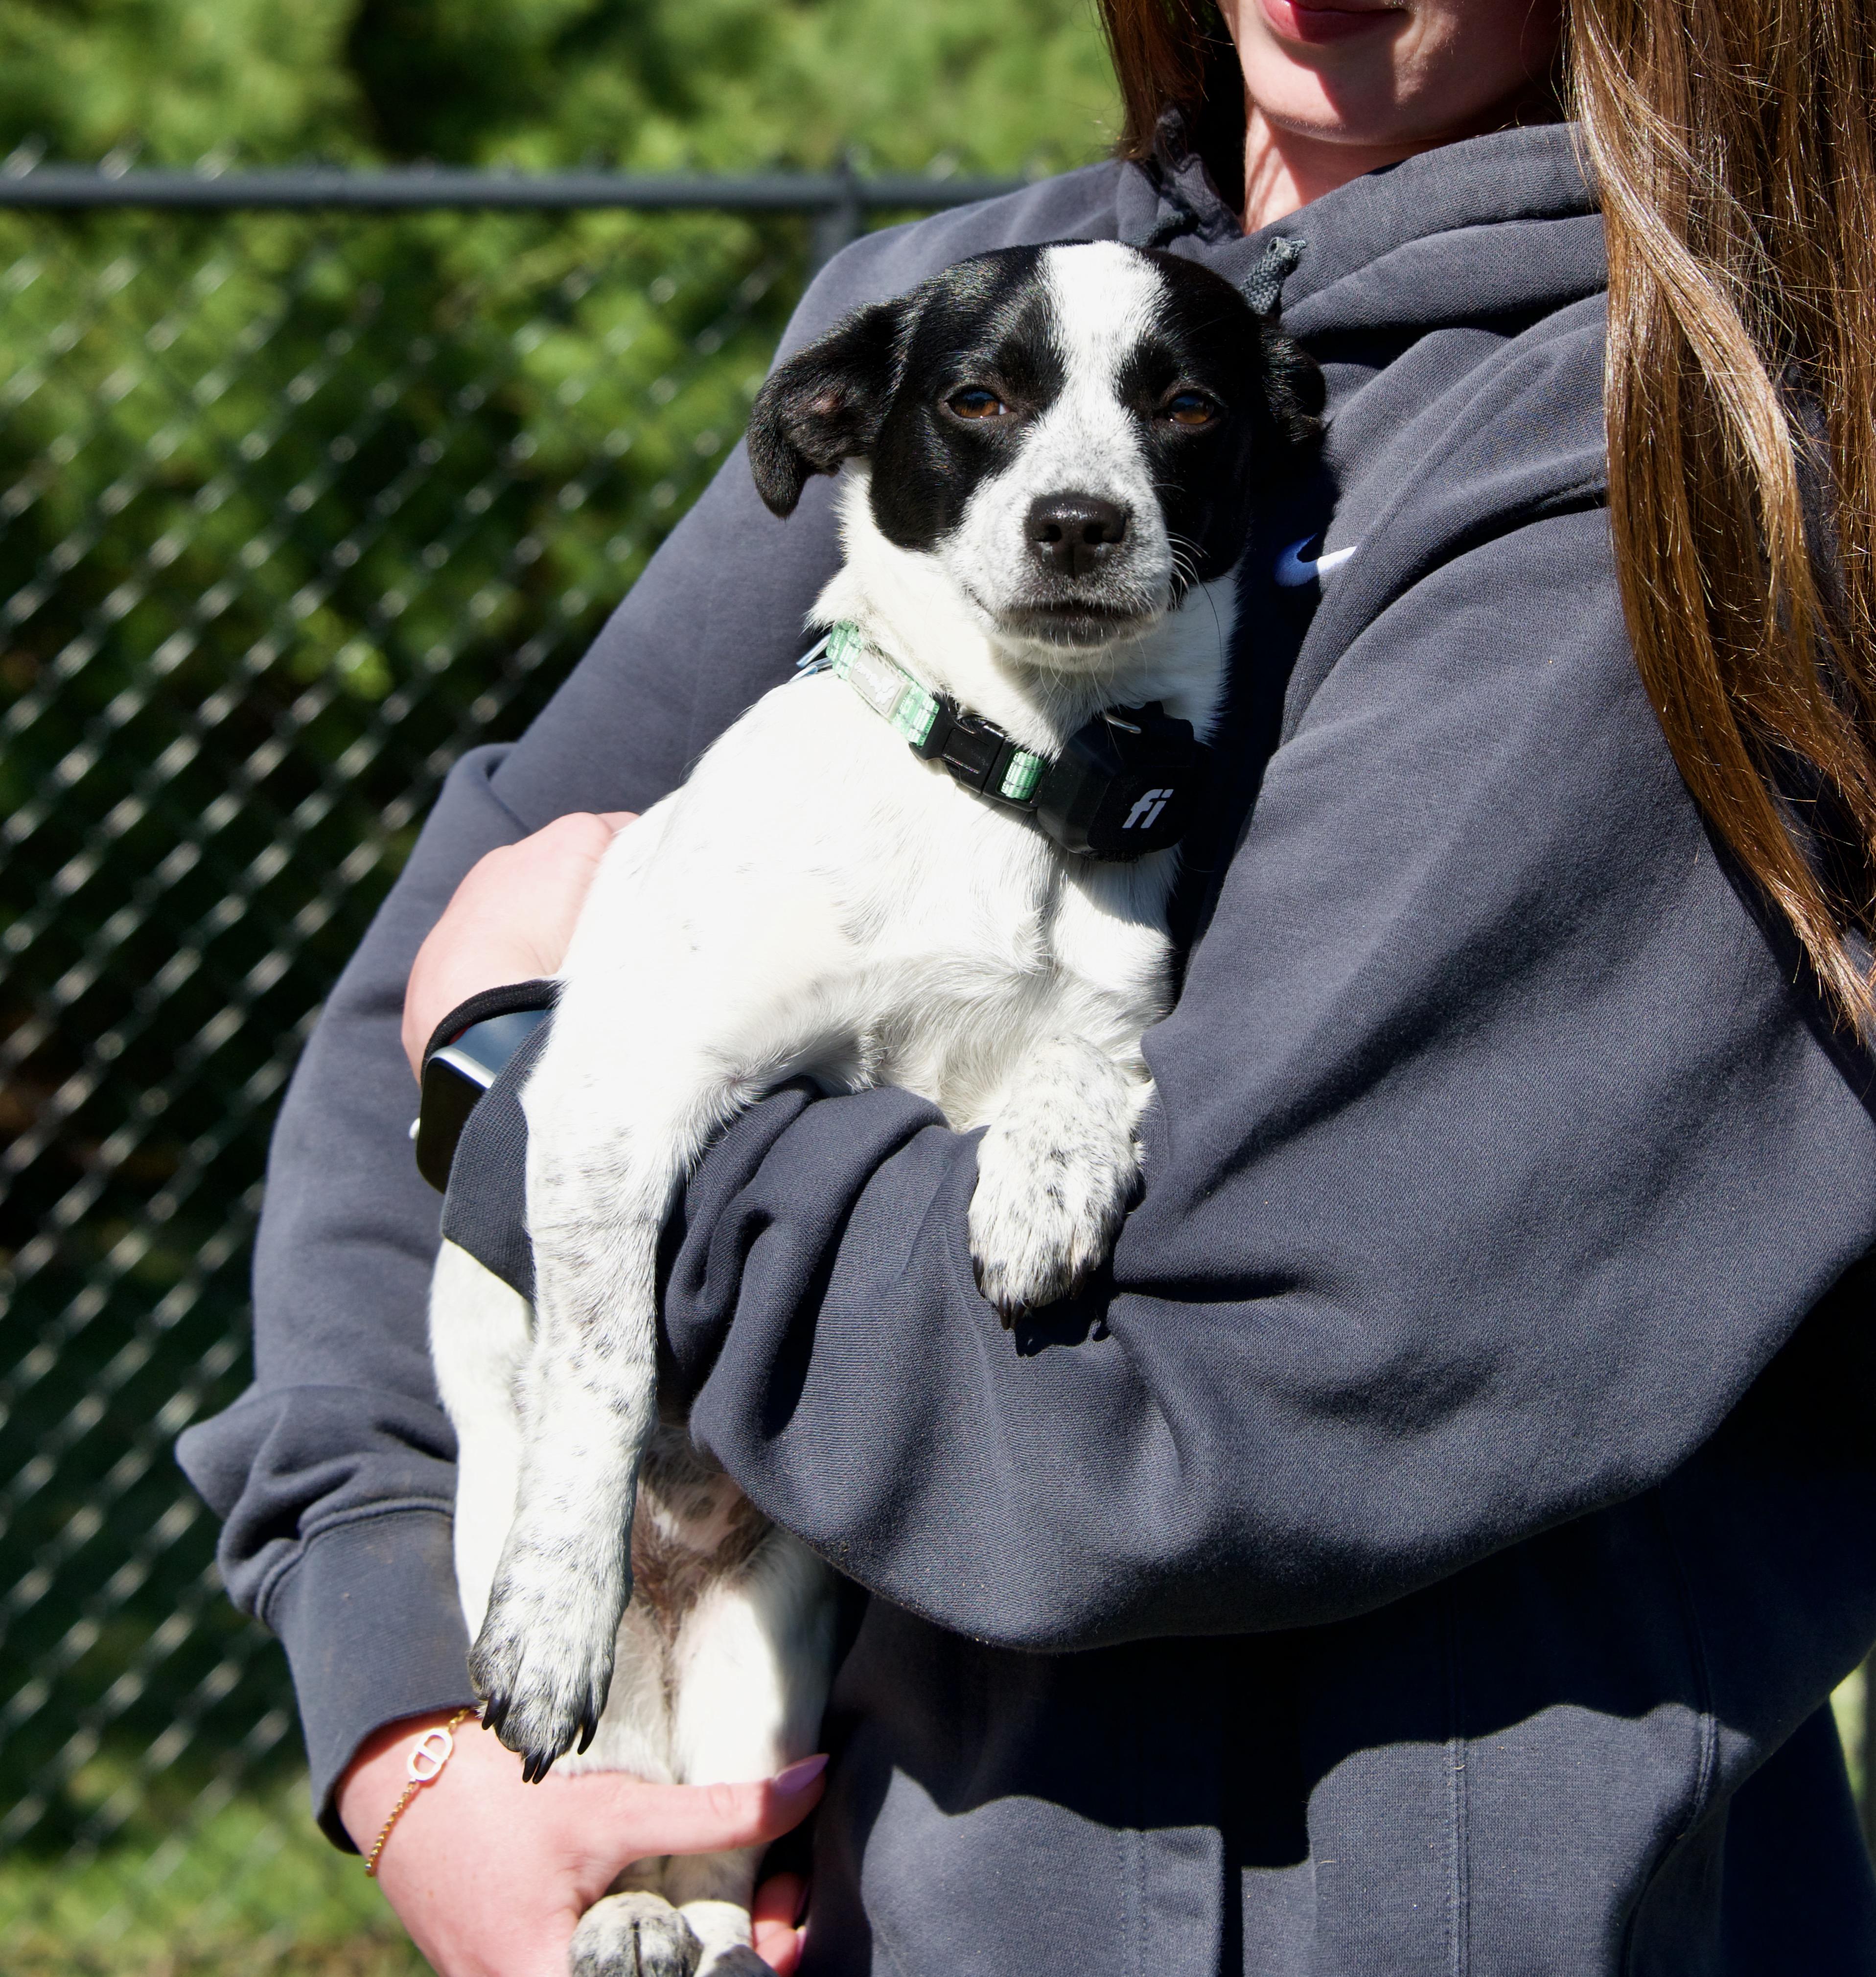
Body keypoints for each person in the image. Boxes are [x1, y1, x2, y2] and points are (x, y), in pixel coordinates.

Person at [178, 0, 1876, 1971]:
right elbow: (405, 1012)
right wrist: (415, 1719)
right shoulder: (934, 325)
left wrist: (542, 1069)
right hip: (804, 1893)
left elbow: (1165, 1390)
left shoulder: (1669, 448)